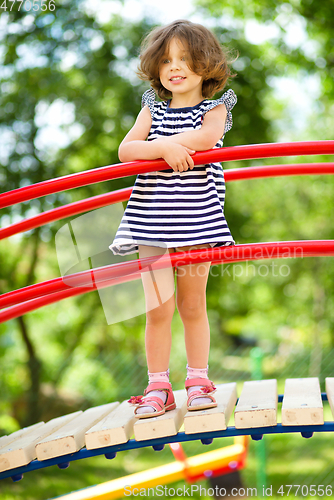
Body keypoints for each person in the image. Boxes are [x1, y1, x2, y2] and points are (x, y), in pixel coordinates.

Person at [109, 19, 237, 418]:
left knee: (192, 305)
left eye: (185, 58)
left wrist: (161, 147)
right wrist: (161, 146)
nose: (174, 67)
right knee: (158, 309)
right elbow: (126, 150)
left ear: (206, 65)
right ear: (156, 69)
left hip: (197, 219)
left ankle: (198, 379)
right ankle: (157, 385)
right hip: (151, 221)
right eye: (166, 60)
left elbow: (204, 140)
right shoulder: (153, 109)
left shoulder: (214, 107)